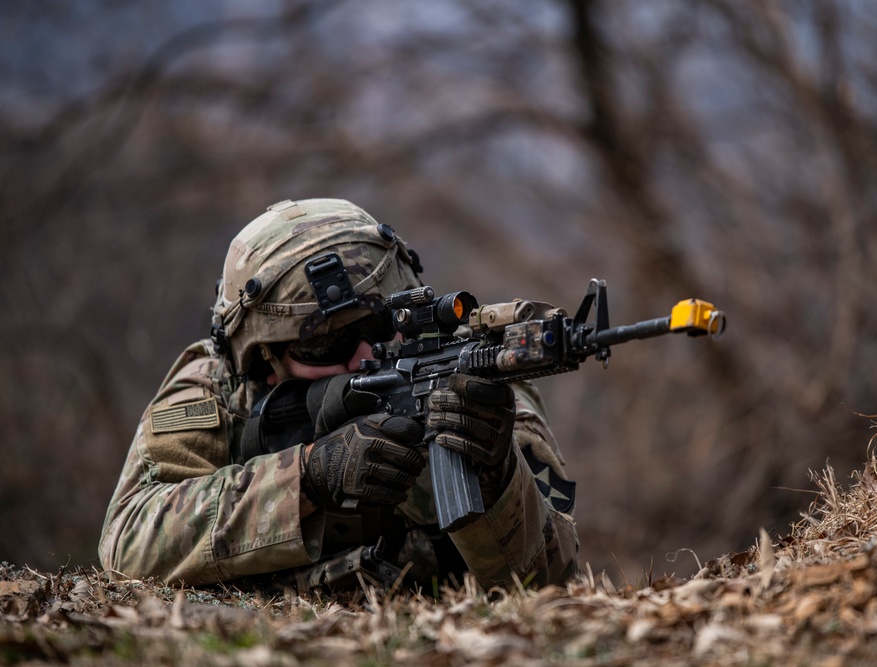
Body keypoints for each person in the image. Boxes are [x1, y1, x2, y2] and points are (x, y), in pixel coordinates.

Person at [98, 198, 579, 590]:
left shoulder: (477, 377)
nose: (362, 356)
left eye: (379, 327)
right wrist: (307, 478)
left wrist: (497, 475)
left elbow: (555, 578)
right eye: (327, 344)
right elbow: (127, 543)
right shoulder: (216, 391)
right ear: (264, 358)